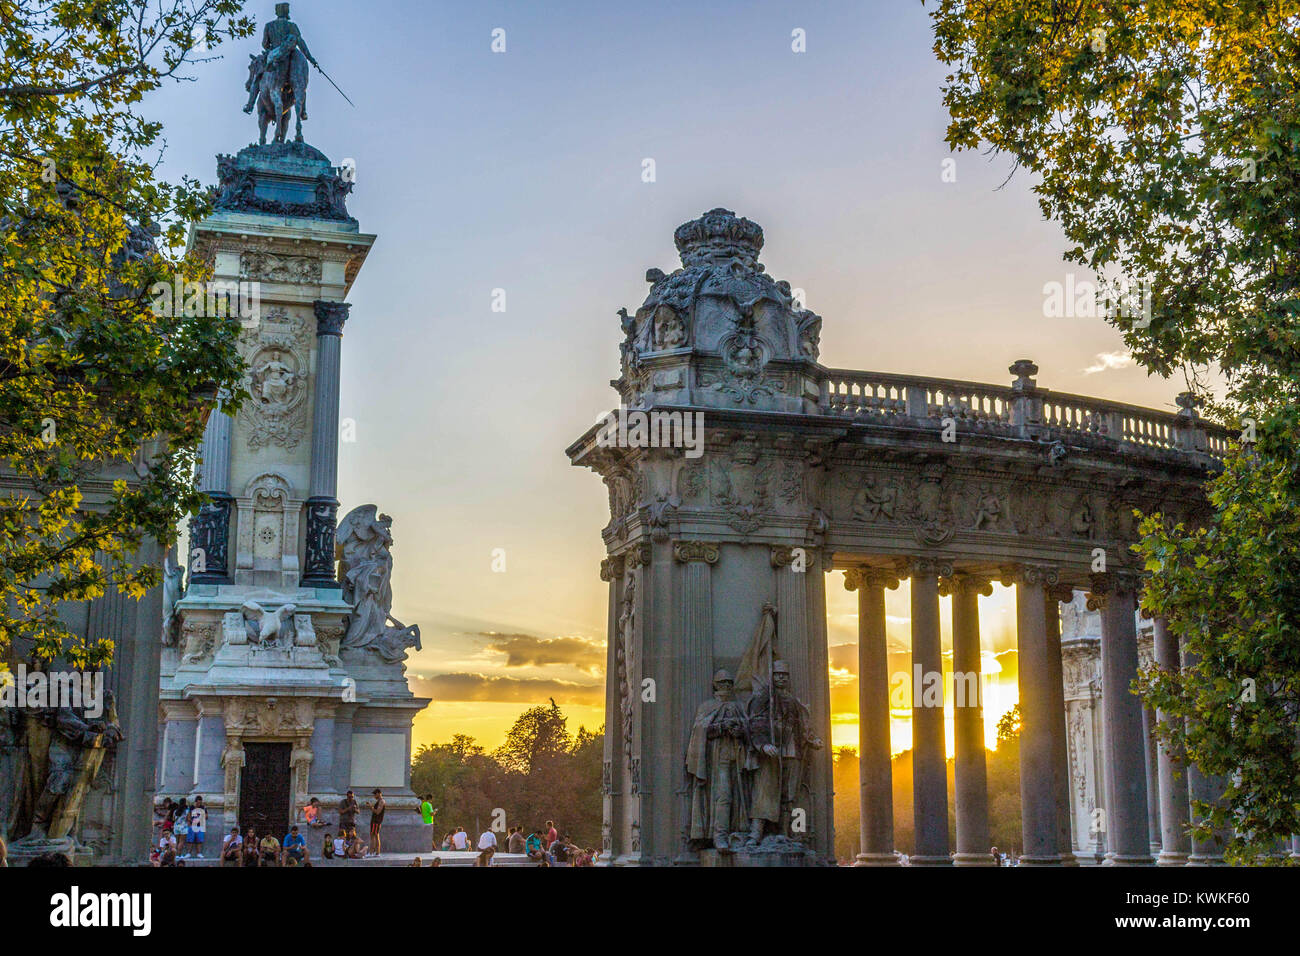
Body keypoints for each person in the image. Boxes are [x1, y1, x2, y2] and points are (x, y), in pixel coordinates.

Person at [366, 788, 386, 857]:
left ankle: (371, 853)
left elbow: (377, 812)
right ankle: (377, 853)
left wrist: (370, 807)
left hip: (376, 821)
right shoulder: (380, 801)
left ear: (379, 793)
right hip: (376, 821)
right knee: (376, 836)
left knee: (373, 836)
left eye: (375, 794)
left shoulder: (381, 801)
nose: (374, 796)